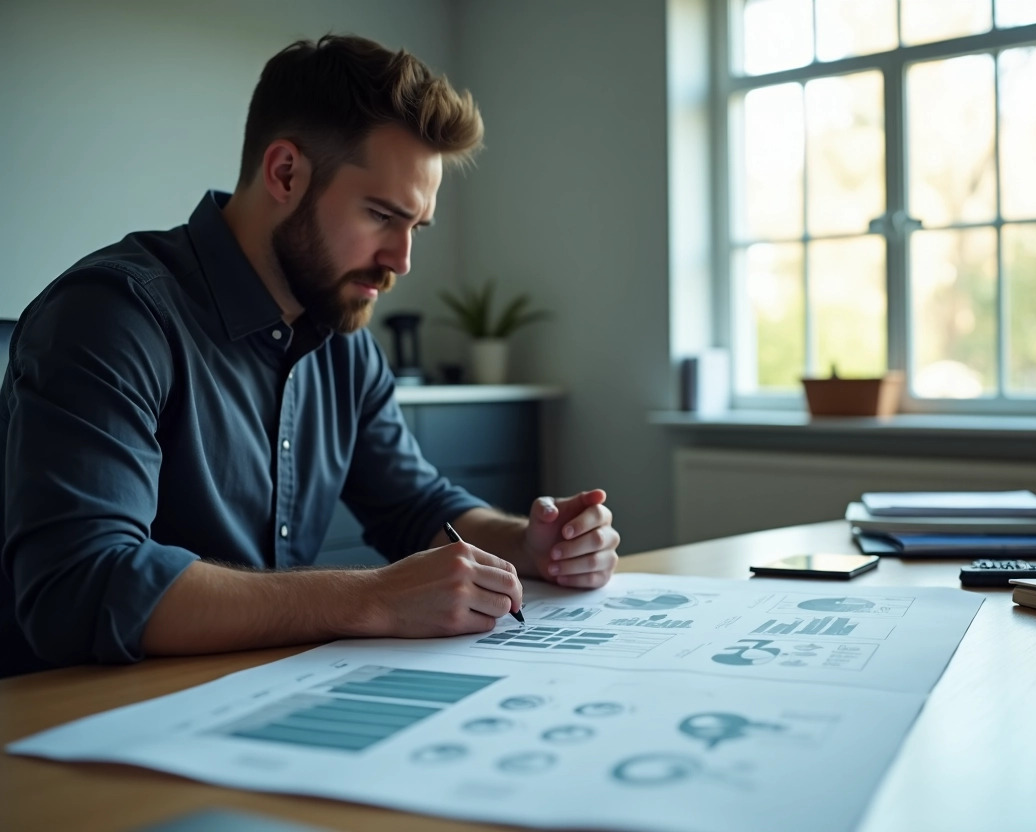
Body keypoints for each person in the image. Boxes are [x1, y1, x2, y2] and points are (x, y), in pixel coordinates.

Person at [0, 35, 620, 678]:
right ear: (285, 173)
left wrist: (527, 544)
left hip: (247, 698)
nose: (401, 262)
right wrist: (373, 598)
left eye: (416, 227)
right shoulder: (112, 316)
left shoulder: (343, 340)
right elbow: (80, 587)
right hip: (68, 721)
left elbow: (414, 504)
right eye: (382, 215)